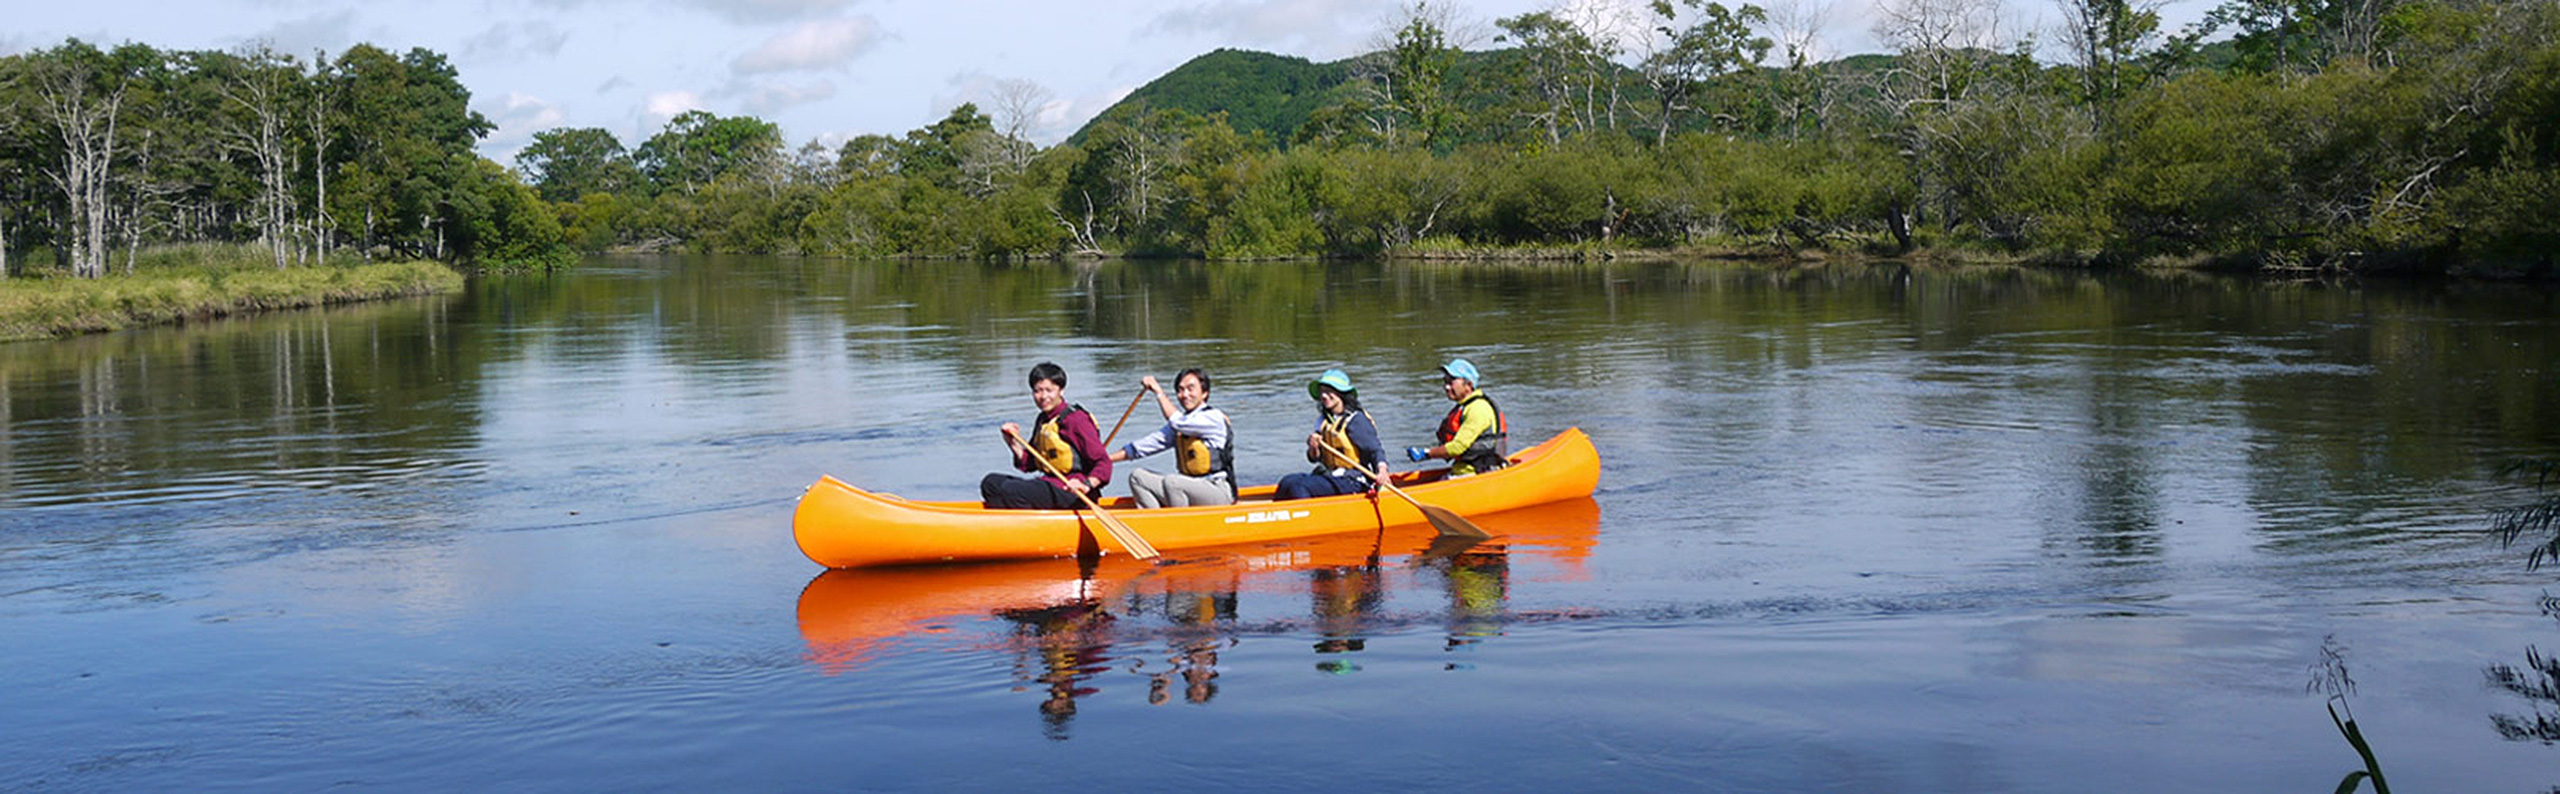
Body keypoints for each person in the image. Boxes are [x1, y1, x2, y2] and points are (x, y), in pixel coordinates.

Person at [982, 362, 1112, 509]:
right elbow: (1030, 463)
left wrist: (1086, 484)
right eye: (1037, 391)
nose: (1043, 396)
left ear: (1061, 391)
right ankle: (1008, 522)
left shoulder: (1076, 419)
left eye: (1049, 390)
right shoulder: (1043, 419)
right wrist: (1012, 443)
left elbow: (1104, 463)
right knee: (991, 483)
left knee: (1011, 491)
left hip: (1074, 492)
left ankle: (1029, 526)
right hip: (1049, 484)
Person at [1108, 368, 1236, 508]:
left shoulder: (1213, 417)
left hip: (1217, 490)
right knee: (1138, 477)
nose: (1185, 394)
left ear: (1204, 393)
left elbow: (1177, 422)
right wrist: (1105, 459)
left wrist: (1158, 392)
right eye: (1180, 390)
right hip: (1188, 487)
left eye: (1190, 389)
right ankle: (1154, 522)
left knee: (1173, 482)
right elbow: (1143, 447)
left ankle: (1179, 525)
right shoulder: (1180, 425)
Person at [1277, 369, 1382, 501]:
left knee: (1299, 486)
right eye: (1322, 392)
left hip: (1354, 481)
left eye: (1329, 391)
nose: (1324, 396)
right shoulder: (1324, 421)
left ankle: (1309, 518)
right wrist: (1313, 448)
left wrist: (1382, 471)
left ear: (1341, 393)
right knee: (1287, 482)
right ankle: (1278, 515)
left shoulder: (1355, 420)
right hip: (1333, 476)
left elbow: (1375, 450)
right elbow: (1314, 458)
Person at [1404, 357, 1509, 476]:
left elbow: (1457, 447)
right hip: (1462, 470)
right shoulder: (1465, 407)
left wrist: (1426, 453)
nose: (1446, 387)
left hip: (1476, 473)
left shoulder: (1477, 409)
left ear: (1468, 384)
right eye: (1445, 381)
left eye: (1451, 382)